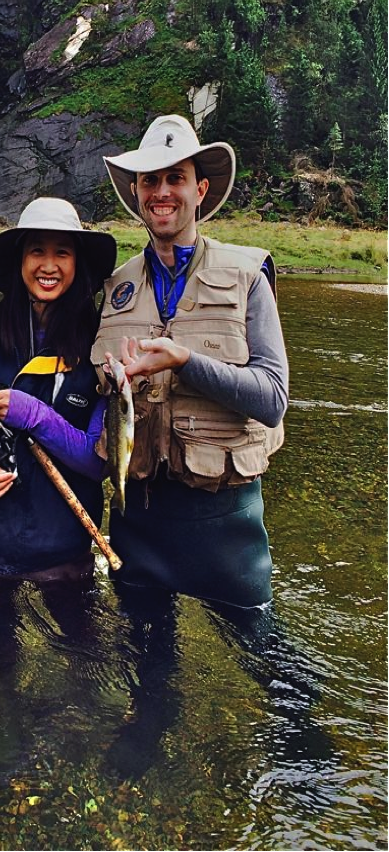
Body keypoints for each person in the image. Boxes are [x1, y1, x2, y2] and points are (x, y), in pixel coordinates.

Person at [92, 113, 289, 610]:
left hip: (226, 523)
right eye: (150, 180)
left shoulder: (249, 277)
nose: (162, 192)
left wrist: (184, 360)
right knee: (145, 674)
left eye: (175, 178)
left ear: (200, 190)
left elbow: (273, 400)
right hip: (137, 519)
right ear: (137, 192)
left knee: (269, 664)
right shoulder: (114, 287)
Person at [0, 196, 117, 583]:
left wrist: (34, 414)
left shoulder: (100, 347)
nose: (48, 265)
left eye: (62, 253)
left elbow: (97, 463)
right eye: (37, 250)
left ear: (78, 264)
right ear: (21, 261)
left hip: (62, 555)